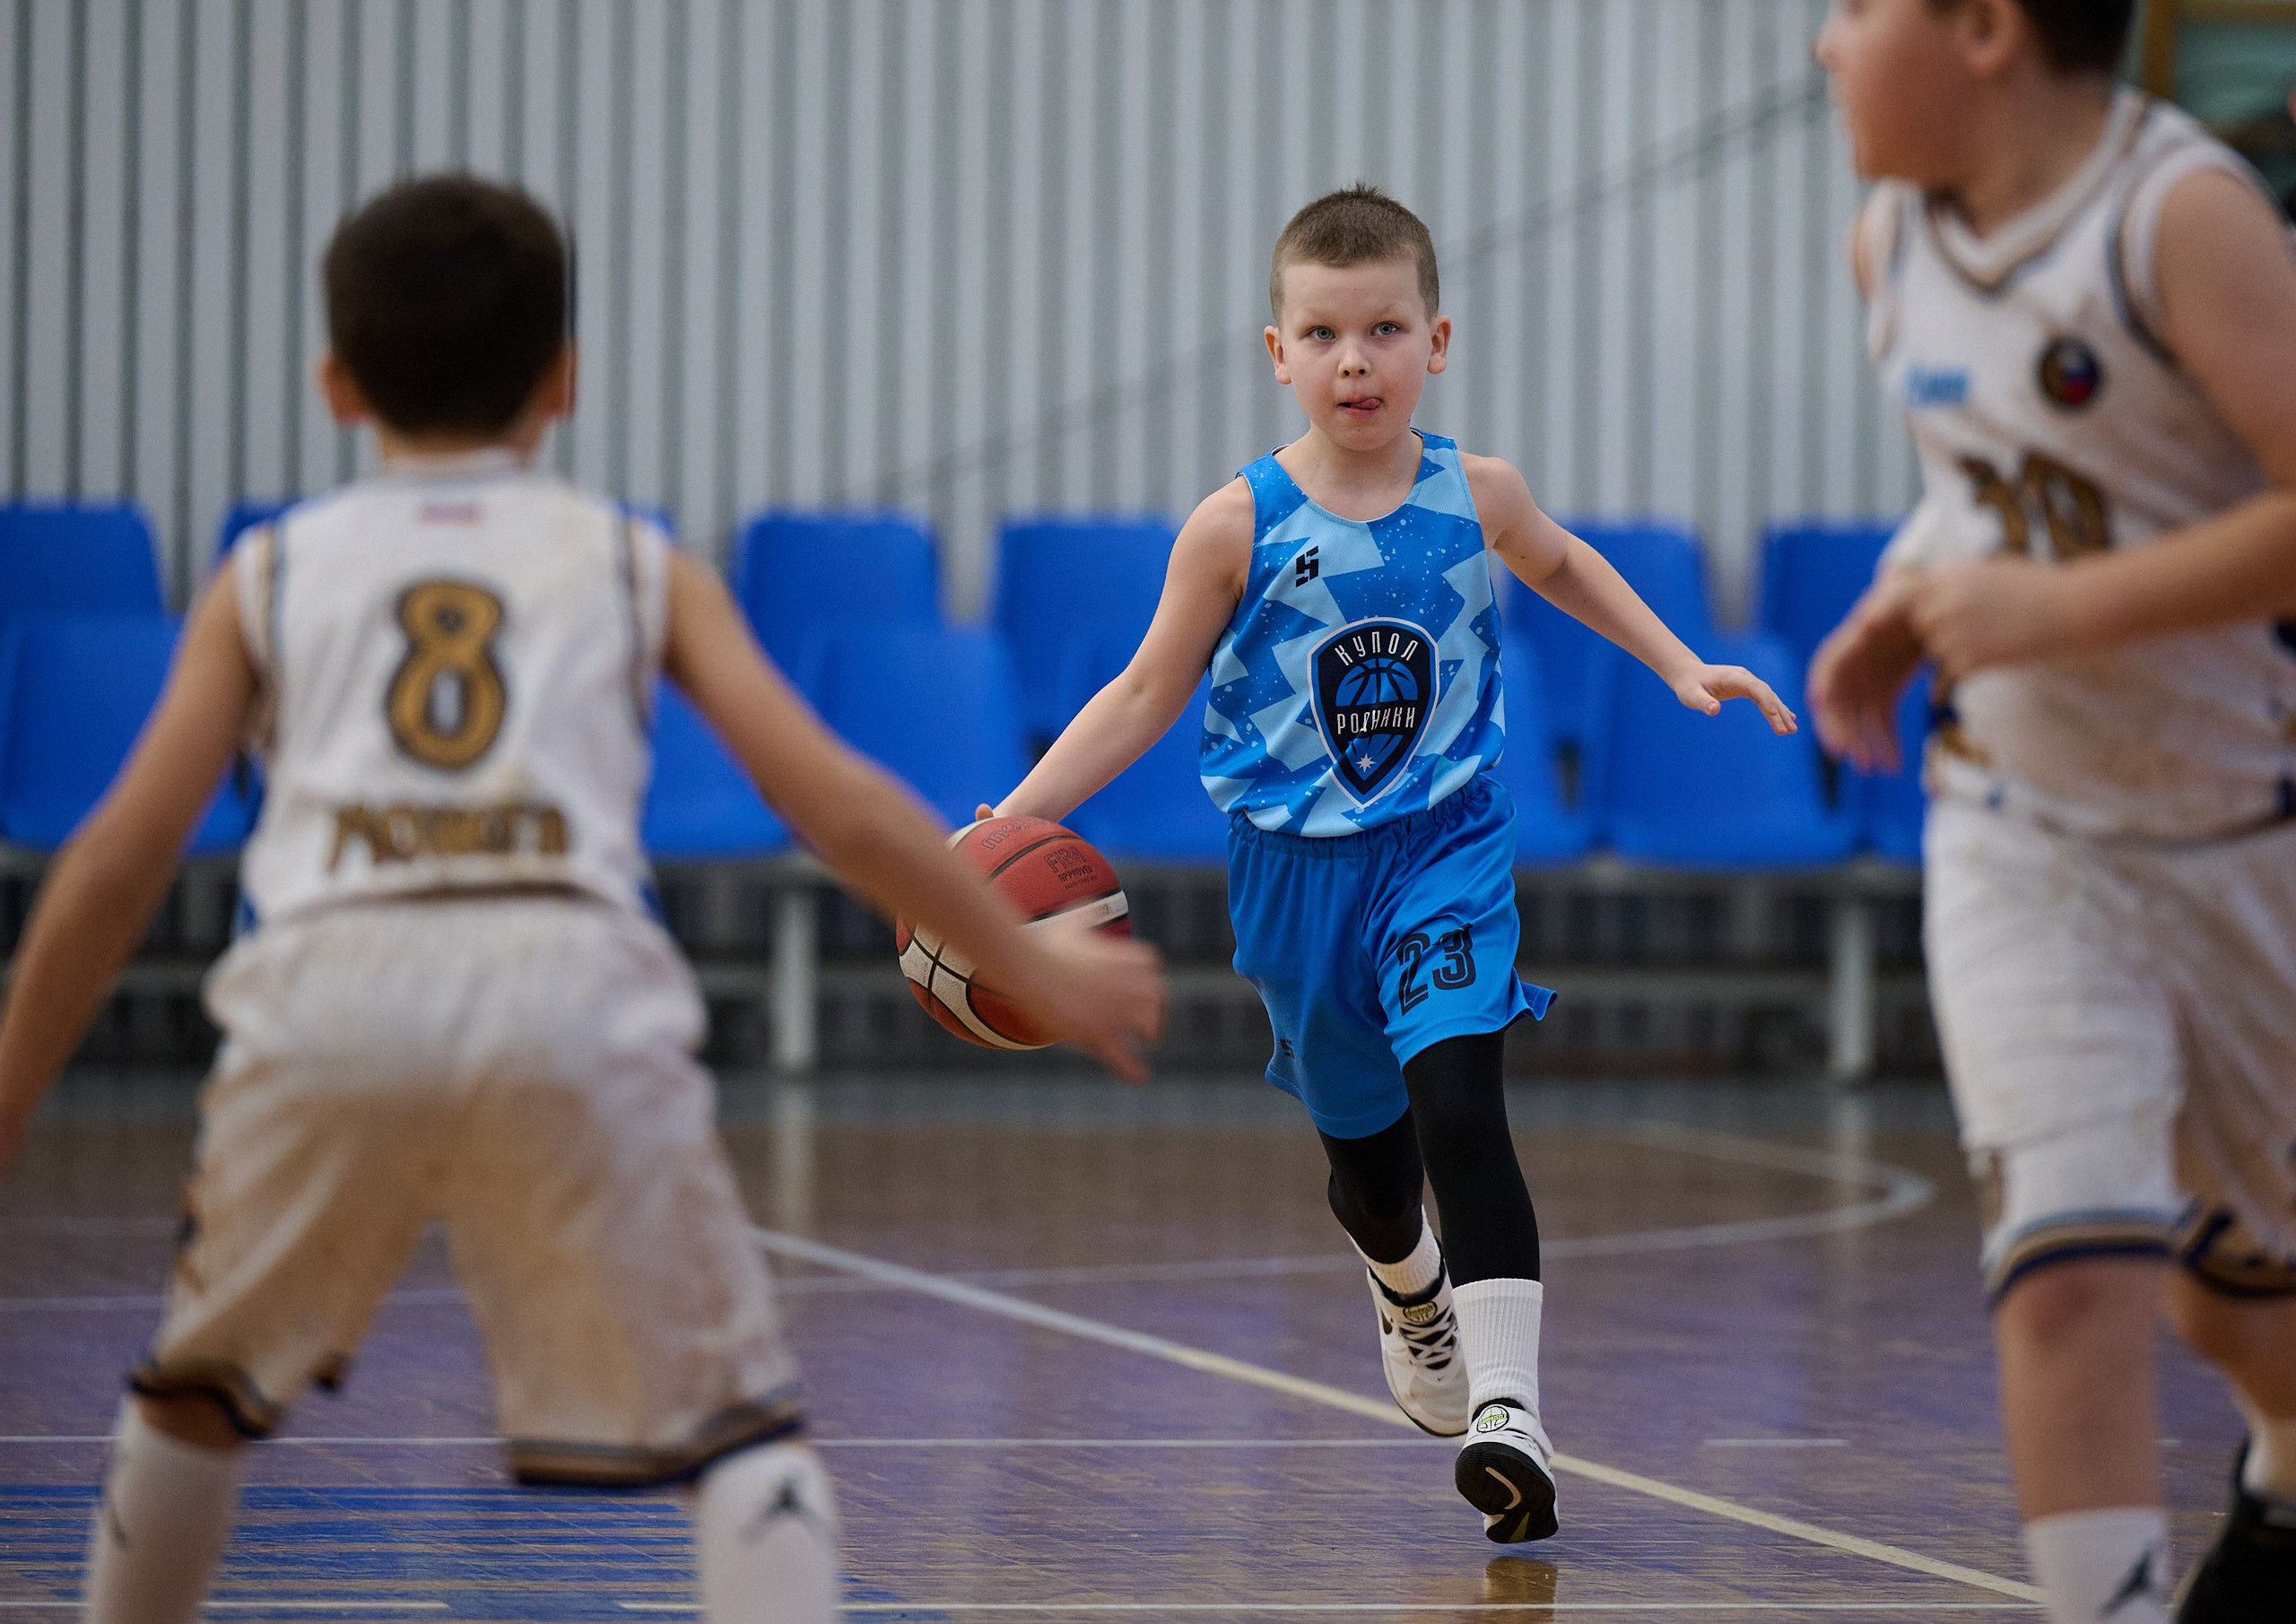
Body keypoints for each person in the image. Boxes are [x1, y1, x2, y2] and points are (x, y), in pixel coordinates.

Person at [0, 175, 1165, 1624]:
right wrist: (1028, 961)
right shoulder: (630, 561)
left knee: (196, 1395)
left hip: (326, 994)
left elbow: (118, 859)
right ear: (565, 379)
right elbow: (845, 804)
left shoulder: (269, 572)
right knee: (739, 1431)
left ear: (336, 383)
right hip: (568, 993)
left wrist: (8, 1089)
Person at [978, 185, 1795, 1542]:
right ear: (1277, 353)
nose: (1356, 360)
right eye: (1324, 333)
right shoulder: (1233, 525)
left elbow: (1564, 563)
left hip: (1444, 847)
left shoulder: (1477, 494)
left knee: (1463, 1105)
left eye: (1385, 329)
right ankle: (1407, 1288)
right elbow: (1137, 695)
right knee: (1371, 1170)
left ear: (1438, 339)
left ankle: (1511, 1414)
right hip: (1293, 876)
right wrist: (1001, 825)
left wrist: (1676, 660)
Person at [1808, 3, 2296, 1619]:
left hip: (2240, 826)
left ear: (1987, 31)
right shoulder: (1893, 241)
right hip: (2019, 824)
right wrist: (1905, 598)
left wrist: (2054, 611)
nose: (1823, 47)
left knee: (2248, 1314)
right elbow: (1978, 484)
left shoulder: (2181, 215)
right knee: (2069, 1276)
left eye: (1857, 11)